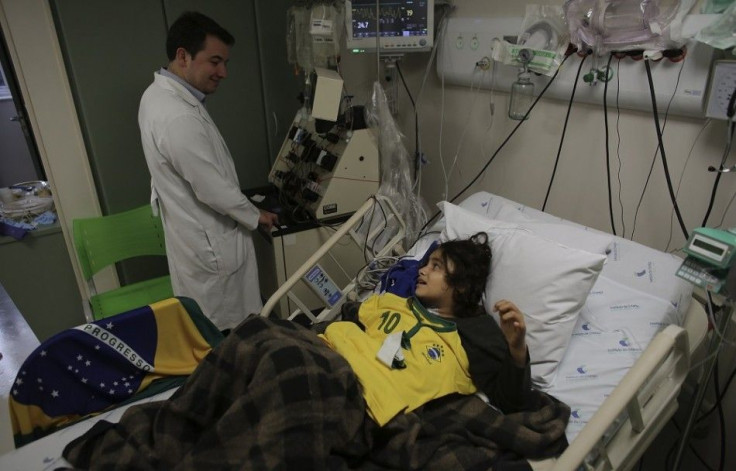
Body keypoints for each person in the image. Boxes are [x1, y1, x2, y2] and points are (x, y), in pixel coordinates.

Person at [138, 11, 278, 331]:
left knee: (209, 328)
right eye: (215, 61)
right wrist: (256, 215)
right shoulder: (177, 115)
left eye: (224, 62)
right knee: (229, 332)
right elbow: (211, 187)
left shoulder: (156, 96)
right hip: (211, 252)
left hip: (196, 241)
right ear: (183, 56)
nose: (223, 72)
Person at [319, 232, 533, 426]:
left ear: (461, 285)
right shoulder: (401, 303)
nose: (422, 270)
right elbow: (355, 314)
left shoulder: (476, 335)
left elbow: (510, 401)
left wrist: (517, 349)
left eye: (436, 266)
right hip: (332, 360)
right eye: (427, 263)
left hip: (364, 399)